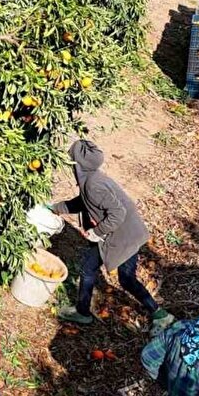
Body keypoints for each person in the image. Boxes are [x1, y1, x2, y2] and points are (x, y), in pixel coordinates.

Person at [51, 139, 172, 327]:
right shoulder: (94, 179)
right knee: (123, 277)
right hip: (128, 232)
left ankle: (83, 313)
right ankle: (159, 314)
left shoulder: (92, 185)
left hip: (121, 235)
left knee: (96, 271)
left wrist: (96, 232)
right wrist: (55, 208)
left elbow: (117, 213)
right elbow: (82, 202)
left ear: (78, 164)